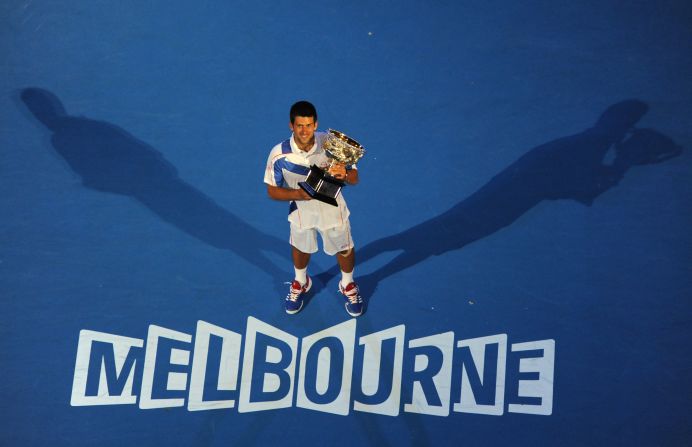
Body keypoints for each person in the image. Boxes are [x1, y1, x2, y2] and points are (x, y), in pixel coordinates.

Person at [264, 101, 363, 317]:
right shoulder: (279, 154)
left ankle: (347, 284)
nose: (304, 130)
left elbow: (354, 177)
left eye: (309, 125)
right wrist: (298, 195)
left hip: (333, 209)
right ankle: (301, 281)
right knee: (301, 248)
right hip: (301, 211)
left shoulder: (331, 143)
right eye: (300, 125)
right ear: (291, 125)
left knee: (345, 248)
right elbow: (272, 191)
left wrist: (344, 174)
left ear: (316, 124)